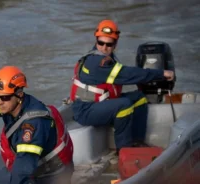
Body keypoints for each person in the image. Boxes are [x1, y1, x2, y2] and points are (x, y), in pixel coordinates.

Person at [69, 19, 175, 153]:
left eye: (109, 44)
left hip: (99, 103)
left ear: (115, 44)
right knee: (124, 104)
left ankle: (137, 142)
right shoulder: (96, 62)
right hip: (85, 110)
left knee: (139, 98)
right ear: (96, 40)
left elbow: (127, 74)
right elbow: (127, 74)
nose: (104, 47)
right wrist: (161, 73)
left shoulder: (107, 57)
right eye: (100, 43)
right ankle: (124, 151)